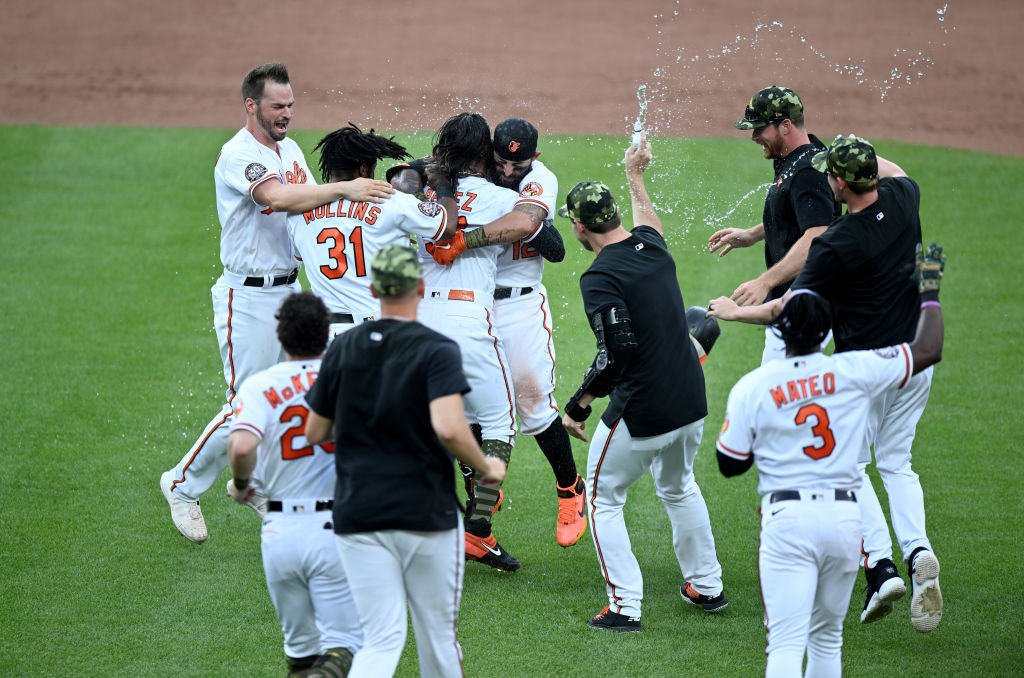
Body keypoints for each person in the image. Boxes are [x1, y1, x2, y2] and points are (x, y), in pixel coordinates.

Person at [709, 135, 944, 633]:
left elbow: (790, 310)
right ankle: (918, 550)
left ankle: (881, 565)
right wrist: (855, 150)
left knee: (853, 466)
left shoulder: (835, 244)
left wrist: (735, 311)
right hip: (915, 359)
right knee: (898, 463)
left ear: (838, 183)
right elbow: (894, 167)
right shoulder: (905, 199)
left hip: (866, 371)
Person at [159, 62, 393, 543]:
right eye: (277, 106)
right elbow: (282, 198)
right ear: (252, 105)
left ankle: (258, 482)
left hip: (290, 292)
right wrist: (348, 186)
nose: (286, 114)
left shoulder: (287, 150)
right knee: (246, 403)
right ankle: (181, 484)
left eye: (290, 105)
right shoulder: (238, 154)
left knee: (305, 389)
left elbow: (313, 203)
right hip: (247, 297)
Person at [304, 245, 507, 678]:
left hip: (358, 510)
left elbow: (315, 432)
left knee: (379, 640)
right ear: (420, 285)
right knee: (437, 639)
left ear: (375, 288)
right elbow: (451, 429)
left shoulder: (343, 348)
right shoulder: (436, 348)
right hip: (425, 512)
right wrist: (488, 468)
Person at [561, 135, 726, 632]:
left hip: (645, 409)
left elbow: (617, 353)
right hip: (690, 400)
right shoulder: (649, 245)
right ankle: (708, 585)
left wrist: (579, 403)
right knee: (678, 486)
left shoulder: (599, 277)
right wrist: (635, 175)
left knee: (603, 499)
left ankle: (625, 607)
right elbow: (649, 224)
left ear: (579, 225)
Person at [423, 117, 586, 548]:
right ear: (488, 154)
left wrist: (464, 239)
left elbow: (539, 237)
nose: (511, 172)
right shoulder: (472, 178)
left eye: (520, 165)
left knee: (532, 402)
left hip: (517, 302)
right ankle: (479, 509)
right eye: (502, 163)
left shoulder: (540, 179)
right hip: (475, 304)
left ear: (536, 157)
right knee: (470, 410)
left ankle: (570, 490)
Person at [405, 112, 522, 571]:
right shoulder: (500, 196)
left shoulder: (420, 193)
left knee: (418, 425)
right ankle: (477, 528)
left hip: (417, 319)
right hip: (469, 318)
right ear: (486, 153)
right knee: (498, 422)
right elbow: (535, 228)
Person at [225, 291, 360, 678]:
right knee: (349, 648)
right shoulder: (347, 378)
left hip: (279, 534)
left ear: (281, 336)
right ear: (326, 333)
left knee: (300, 657)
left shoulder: (258, 386)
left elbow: (242, 445)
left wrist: (241, 483)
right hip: (336, 532)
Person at [287, 123, 458, 338]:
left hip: (328, 337)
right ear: (363, 169)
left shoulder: (298, 214)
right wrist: (443, 183)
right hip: (380, 333)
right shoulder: (388, 200)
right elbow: (448, 226)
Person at [708, 86, 839, 364]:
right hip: (797, 299)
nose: (754, 136)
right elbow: (798, 216)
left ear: (785, 125)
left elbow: (818, 234)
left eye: (760, 129)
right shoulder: (797, 156)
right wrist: (753, 235)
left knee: (780, 395)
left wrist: (764, 282)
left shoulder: (807, 171)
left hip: (803, 308)